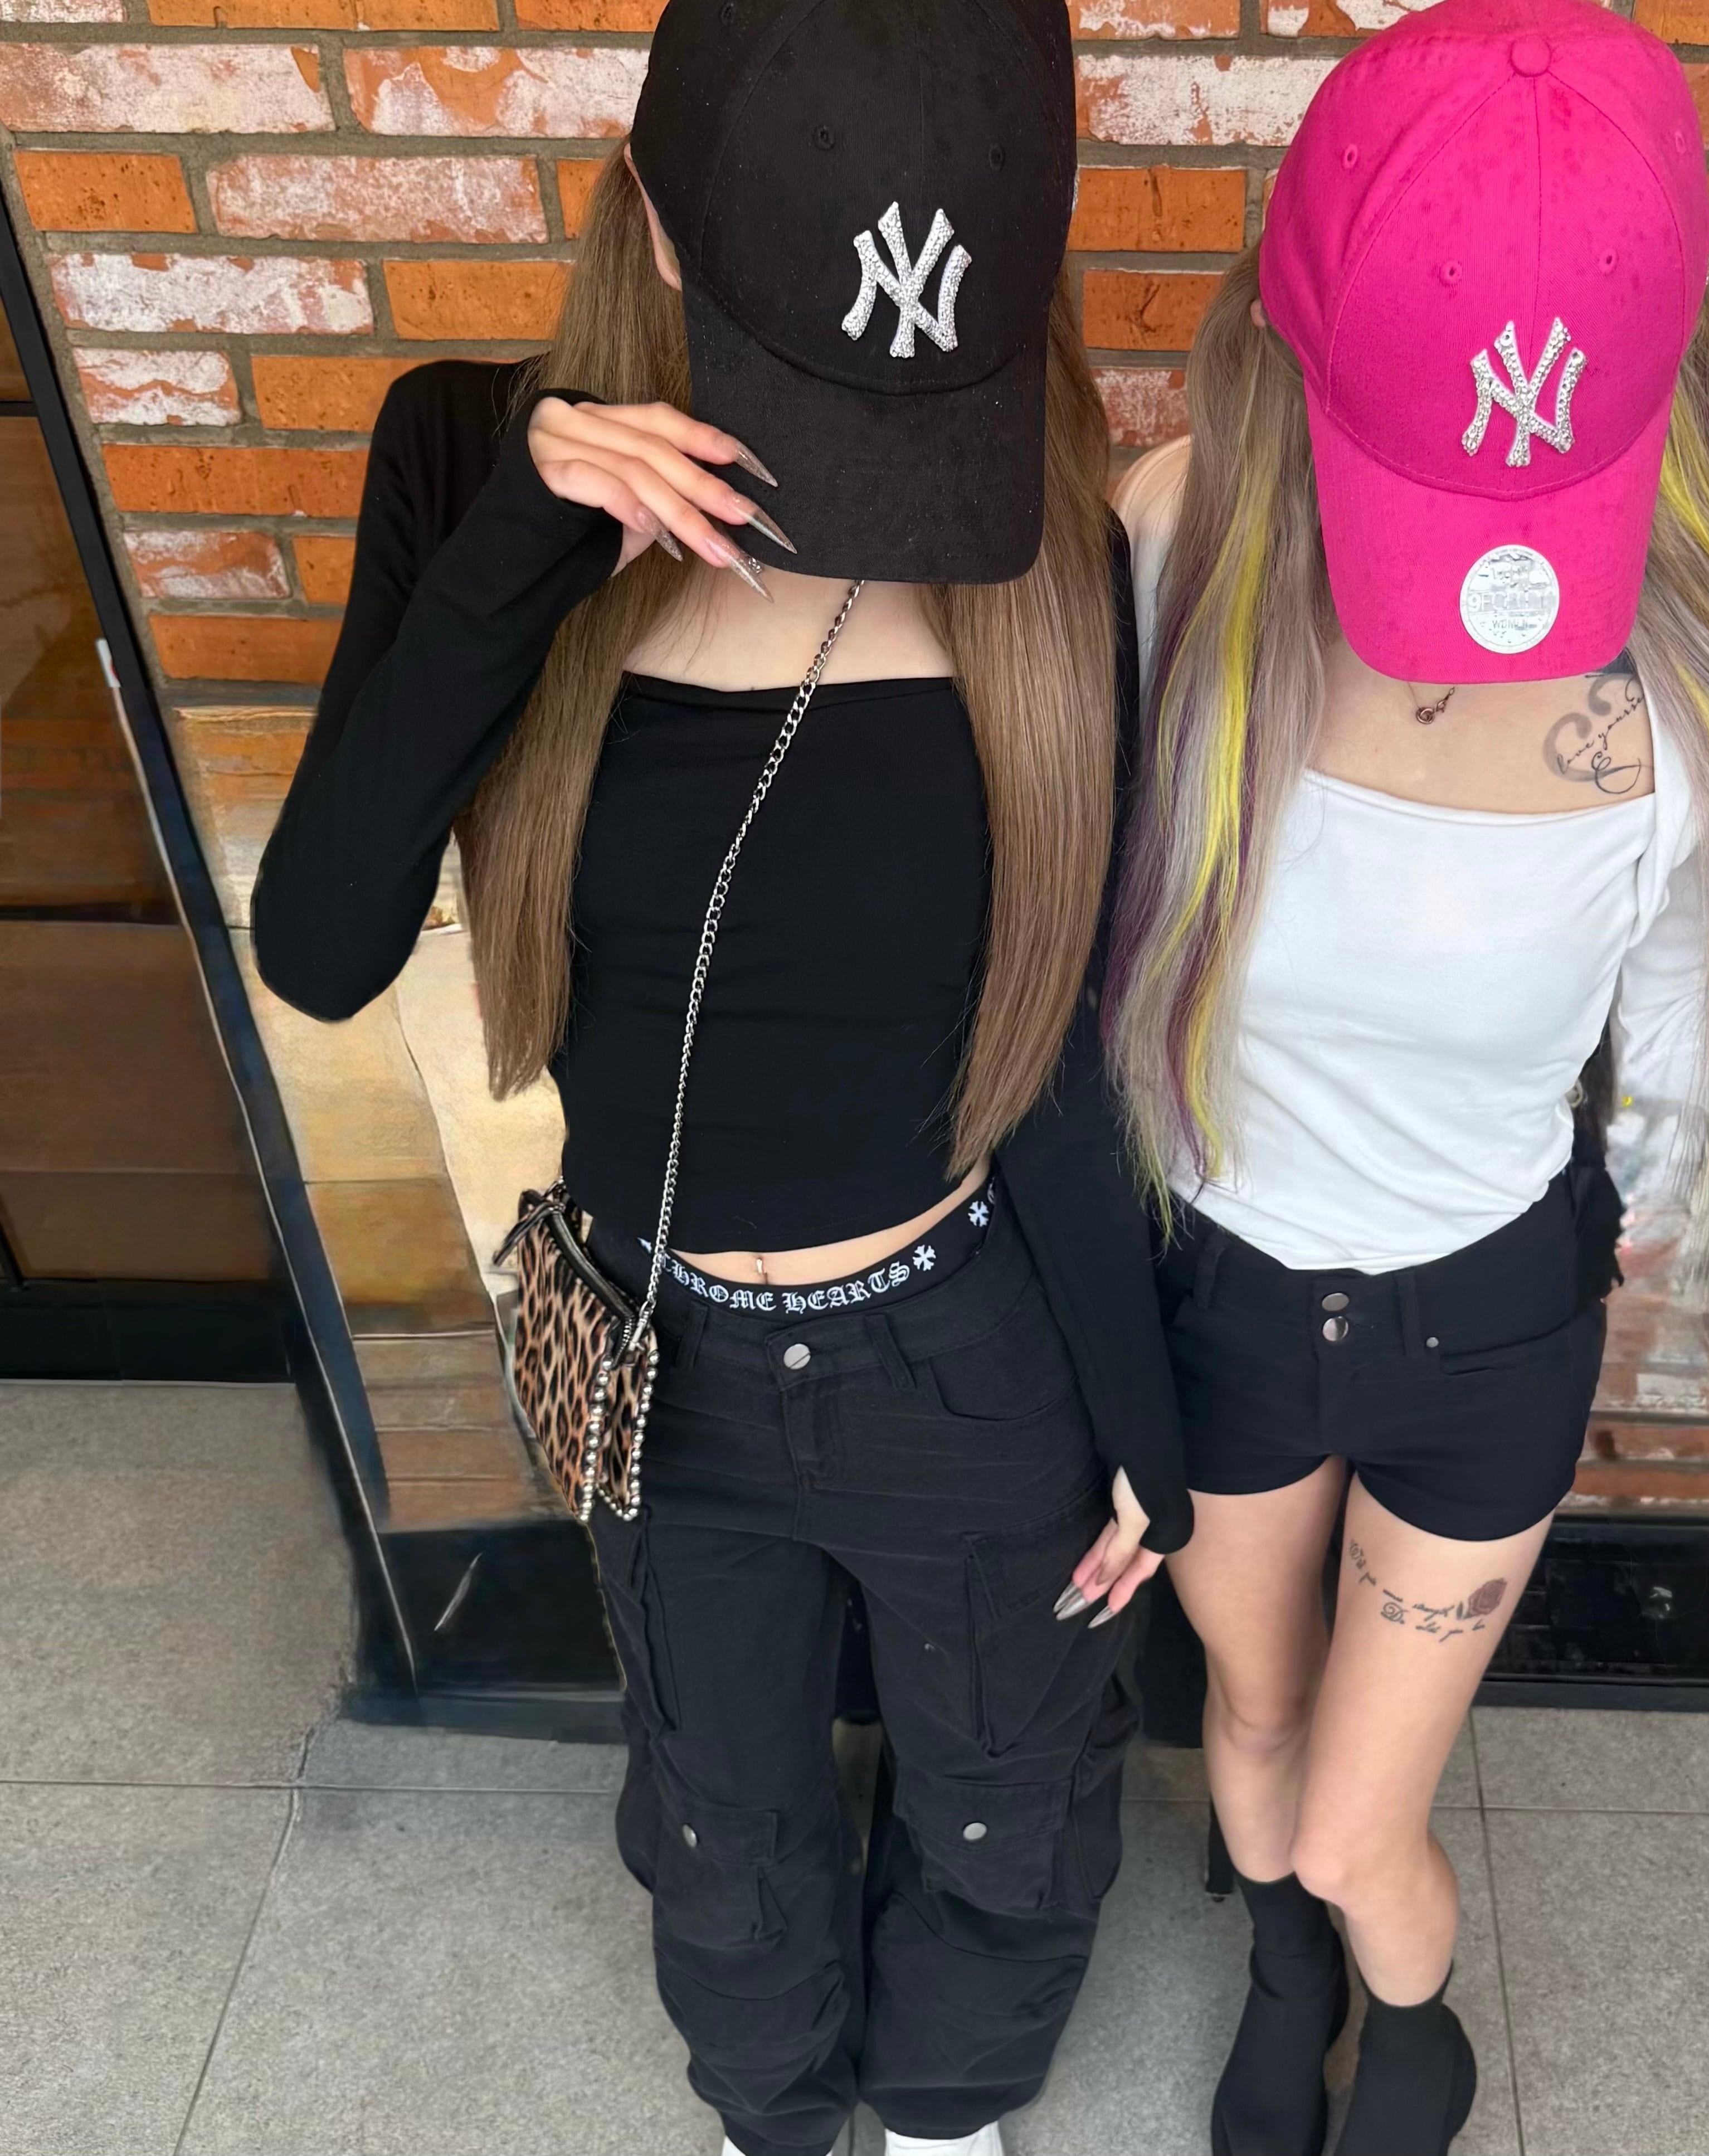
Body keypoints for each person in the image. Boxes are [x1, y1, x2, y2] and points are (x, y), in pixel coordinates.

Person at [250, 4, 1187, 2152]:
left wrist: (1149, 1427)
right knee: (718, 1825)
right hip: (655, 1349)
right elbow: (318, 945)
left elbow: (1056, 1039)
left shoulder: (1051, 543)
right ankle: (778, 2118)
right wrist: (531, 541)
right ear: (659, 217)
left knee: (1009, 1801)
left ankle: (942, 2115)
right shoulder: (465, 454)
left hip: (969, 1355)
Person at [1102, 4, 1709, 2152]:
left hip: (1483, 1323)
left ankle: (1409, 2025)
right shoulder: (1171, 539)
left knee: (1354, 1818)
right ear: (1295, 332)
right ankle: (1288, 1975)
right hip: (1216, 1294)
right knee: (1251, 1725)